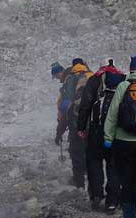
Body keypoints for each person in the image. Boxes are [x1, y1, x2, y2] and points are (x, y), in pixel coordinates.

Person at [104, 53, 136, 218]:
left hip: (123, 142)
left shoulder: (123, 86)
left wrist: (107, 139)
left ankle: (130, 215)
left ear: (131, 69)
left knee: (126, 183)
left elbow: (111, 116)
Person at [77, 59, 126, 212]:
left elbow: (85, 104)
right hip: (115, 130)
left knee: (94, 161)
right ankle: (112, 200)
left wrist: (81, 127)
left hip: (96, 128)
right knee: (113, 164)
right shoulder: (122, 79)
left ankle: (97, 195)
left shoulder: (94, 79)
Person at [54, 58, 93, 189]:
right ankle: (95, 188)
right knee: (92, 154)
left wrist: (59, 131)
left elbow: (65, 107)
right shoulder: (93, 76)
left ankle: (79, 184)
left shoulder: (70, 80)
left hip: (76, 125)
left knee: (76, 152)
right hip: (93, 124)